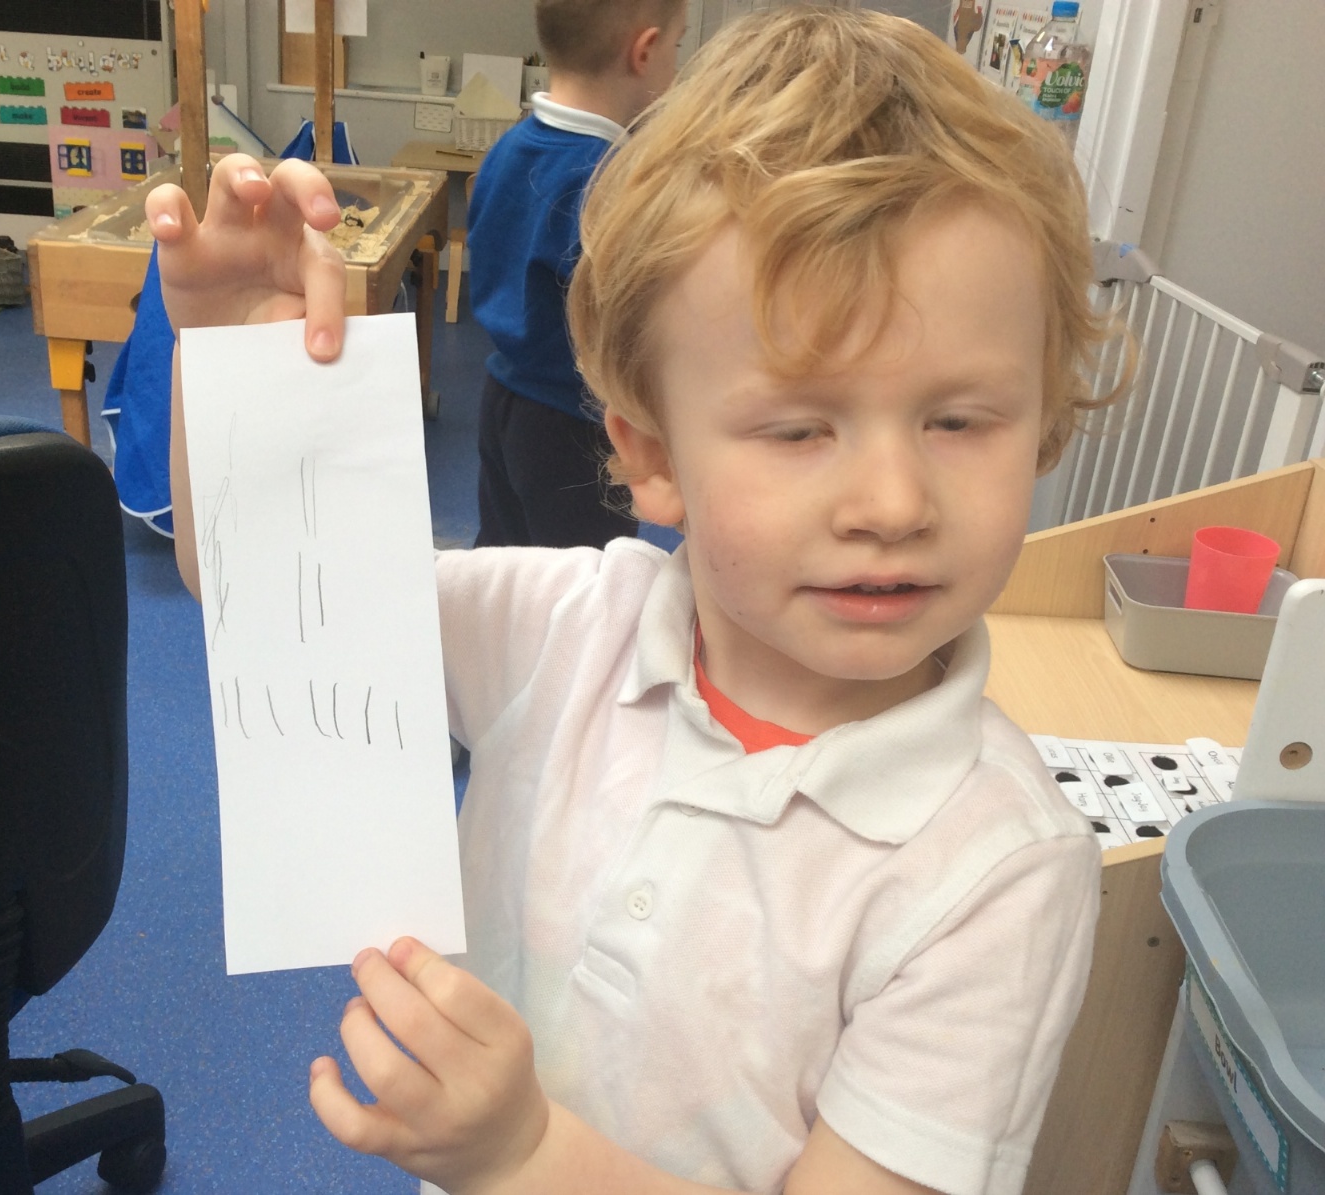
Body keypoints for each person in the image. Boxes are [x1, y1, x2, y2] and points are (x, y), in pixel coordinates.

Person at [148, 7, 1125, 1192]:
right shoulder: (562, 627)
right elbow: (264, 598)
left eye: (958, 419)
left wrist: (525, 1155)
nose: (891, 502)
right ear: (653, 455)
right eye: (799, 428)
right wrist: (235, 360)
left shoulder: (997, 867)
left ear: (1041, 421)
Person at [466, 0, 685, 548]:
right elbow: (630, 320)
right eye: (677, 47)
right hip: (574, 425)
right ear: (644, 51)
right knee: (586, 578)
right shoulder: (609, 179)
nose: (677, 65)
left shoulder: (508, 148)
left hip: (502, 398)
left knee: (507, 561)